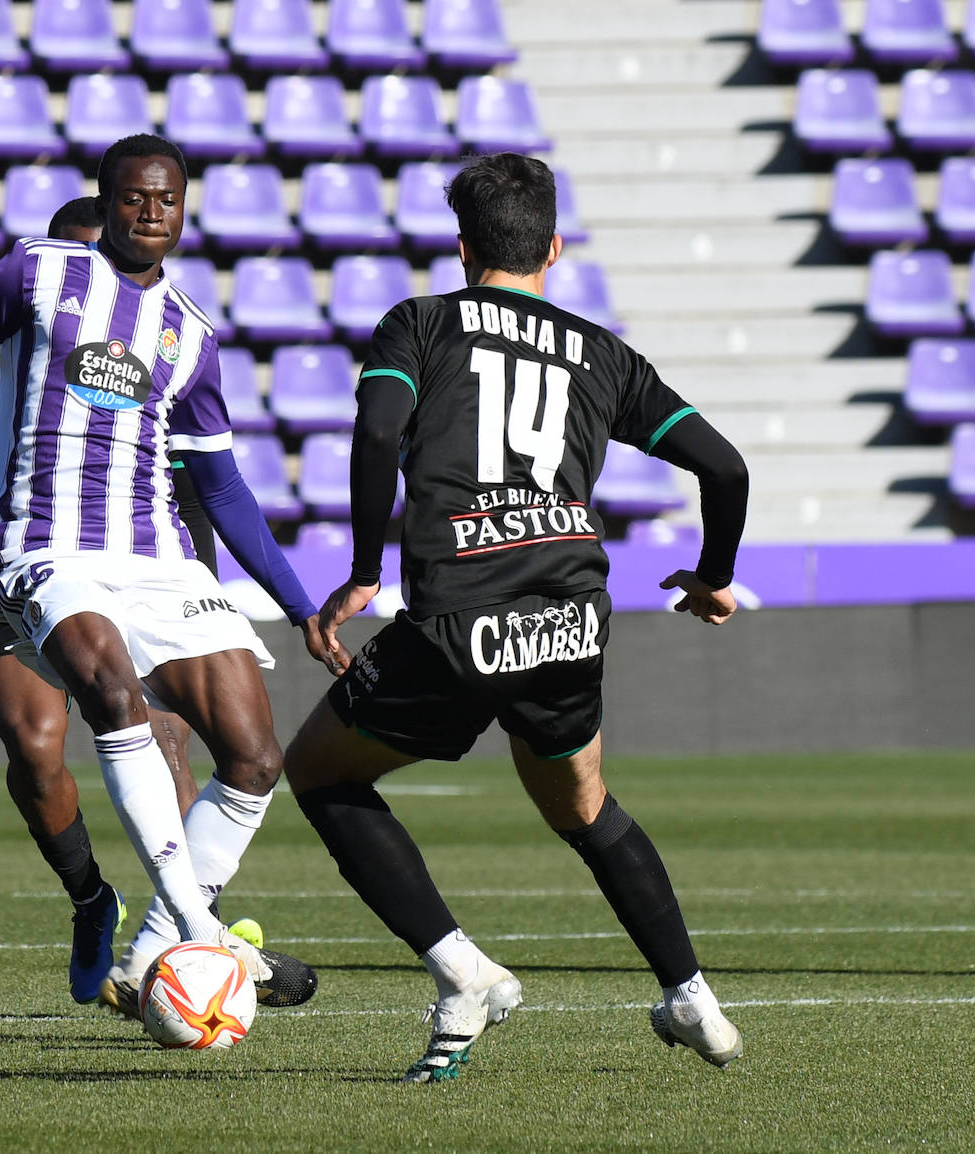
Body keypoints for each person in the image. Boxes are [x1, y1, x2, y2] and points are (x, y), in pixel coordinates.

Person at [282, 152, 750, 1082]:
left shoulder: (421, 324)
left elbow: (378, 430)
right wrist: (712, 577)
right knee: (583, 806)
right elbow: (726, 467)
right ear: (554, 248)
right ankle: (693, 997)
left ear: (463, 249)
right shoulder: (604, 353)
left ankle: (464, 973)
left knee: (319, 772)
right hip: (572, 619)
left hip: (462, 617)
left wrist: (364, 574)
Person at [0, 134, 340, 1010]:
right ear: (107, 201)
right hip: (39, 545)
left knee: (254, 757)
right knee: (88, 712)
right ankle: (191, 932)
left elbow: (222, 485)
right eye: (133, 198)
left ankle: (158, 945)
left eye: (166, 200)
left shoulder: (191, 334)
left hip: (157, 556)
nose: (149, 213)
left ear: (184, 209)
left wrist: (299, 606)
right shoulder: (35, 276)